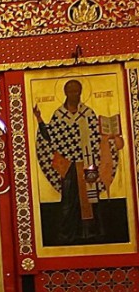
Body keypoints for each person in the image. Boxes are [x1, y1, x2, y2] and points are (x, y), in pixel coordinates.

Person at [33, 79, 121, 245]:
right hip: (68, 165)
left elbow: (97, 136)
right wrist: (39, 119)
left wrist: (110, 135)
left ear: (81, 92)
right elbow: (50, 136)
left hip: (88, 161)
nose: (74, 94)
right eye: (71, 91)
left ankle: (92, 233)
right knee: (69, 199)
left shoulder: (88, 113)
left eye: (77, 91)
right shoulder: (59, 115)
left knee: (91, 197)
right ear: (65, 93)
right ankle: (68, 235)